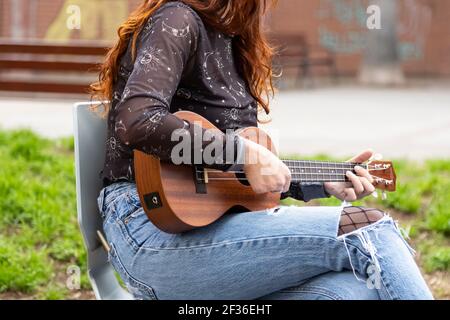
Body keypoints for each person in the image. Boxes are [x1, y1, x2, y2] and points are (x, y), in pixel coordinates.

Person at [90, 0, 433, 300]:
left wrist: (323, 184)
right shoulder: (176, 19)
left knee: (357, 290)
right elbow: (136, 121)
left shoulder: (232, 43)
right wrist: (242, 153)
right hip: (150, 233)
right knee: (370, 230)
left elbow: (233, 184)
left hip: (215, 239)